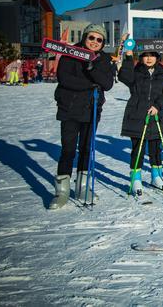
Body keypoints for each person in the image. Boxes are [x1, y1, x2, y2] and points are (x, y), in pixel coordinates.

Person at [49, 24, 114, 209]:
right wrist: (90, 84)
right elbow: (64, 78)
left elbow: (107, 83)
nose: (94, 42)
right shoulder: (71, 53)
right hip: (70, 109)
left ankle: (82, 187)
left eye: (99, 39)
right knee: (68, 150)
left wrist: (92, 68)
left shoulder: (104, 59)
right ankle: (62, 191)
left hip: (92, 109)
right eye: (91, 38)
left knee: (86, 149)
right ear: (85, 37)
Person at [118, 48, 163, 195]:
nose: (149, 59)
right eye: (145, 56)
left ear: (157, 58)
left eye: (152, 56)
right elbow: (123, 76)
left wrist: (158, 105)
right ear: (141, 58)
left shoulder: (162, 76)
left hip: (156, 117)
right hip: (137, 116)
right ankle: (135, 178)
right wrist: (129, 58)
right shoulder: (135, 73)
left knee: (156, 149)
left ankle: (157, 177)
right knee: (138, 149)